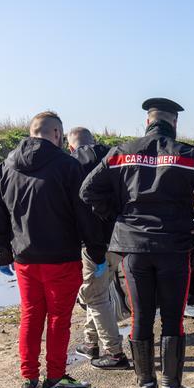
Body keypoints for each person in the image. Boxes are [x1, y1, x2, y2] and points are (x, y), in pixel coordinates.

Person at [81, 98, 194, 388]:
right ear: (173, 124)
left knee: (141, 317)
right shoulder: (187, 154)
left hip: (133, 249)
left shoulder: (120, 152)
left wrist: (119, 216)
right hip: (174, 246)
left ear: (147, 122)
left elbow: (87, 191)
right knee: (173, 319)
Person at [0, 111, 106, 388]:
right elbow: (84, 212)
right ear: (56, 134)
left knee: (30, 316)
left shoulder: (5, 167)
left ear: (32, 132)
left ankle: (29, 382)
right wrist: (96, 250)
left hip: (25, 259)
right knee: (58, 319)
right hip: (61, 258)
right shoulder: (68, 166)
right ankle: (55, 378)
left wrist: (2, 254)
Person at [66, 127, 129, 370]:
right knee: (98, 290)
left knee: (94, 295)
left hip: (93, 243)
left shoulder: (71, 164)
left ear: (71, 146)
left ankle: (114, 353)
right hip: (120, 237)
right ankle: (90, 343)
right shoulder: (114, 157)